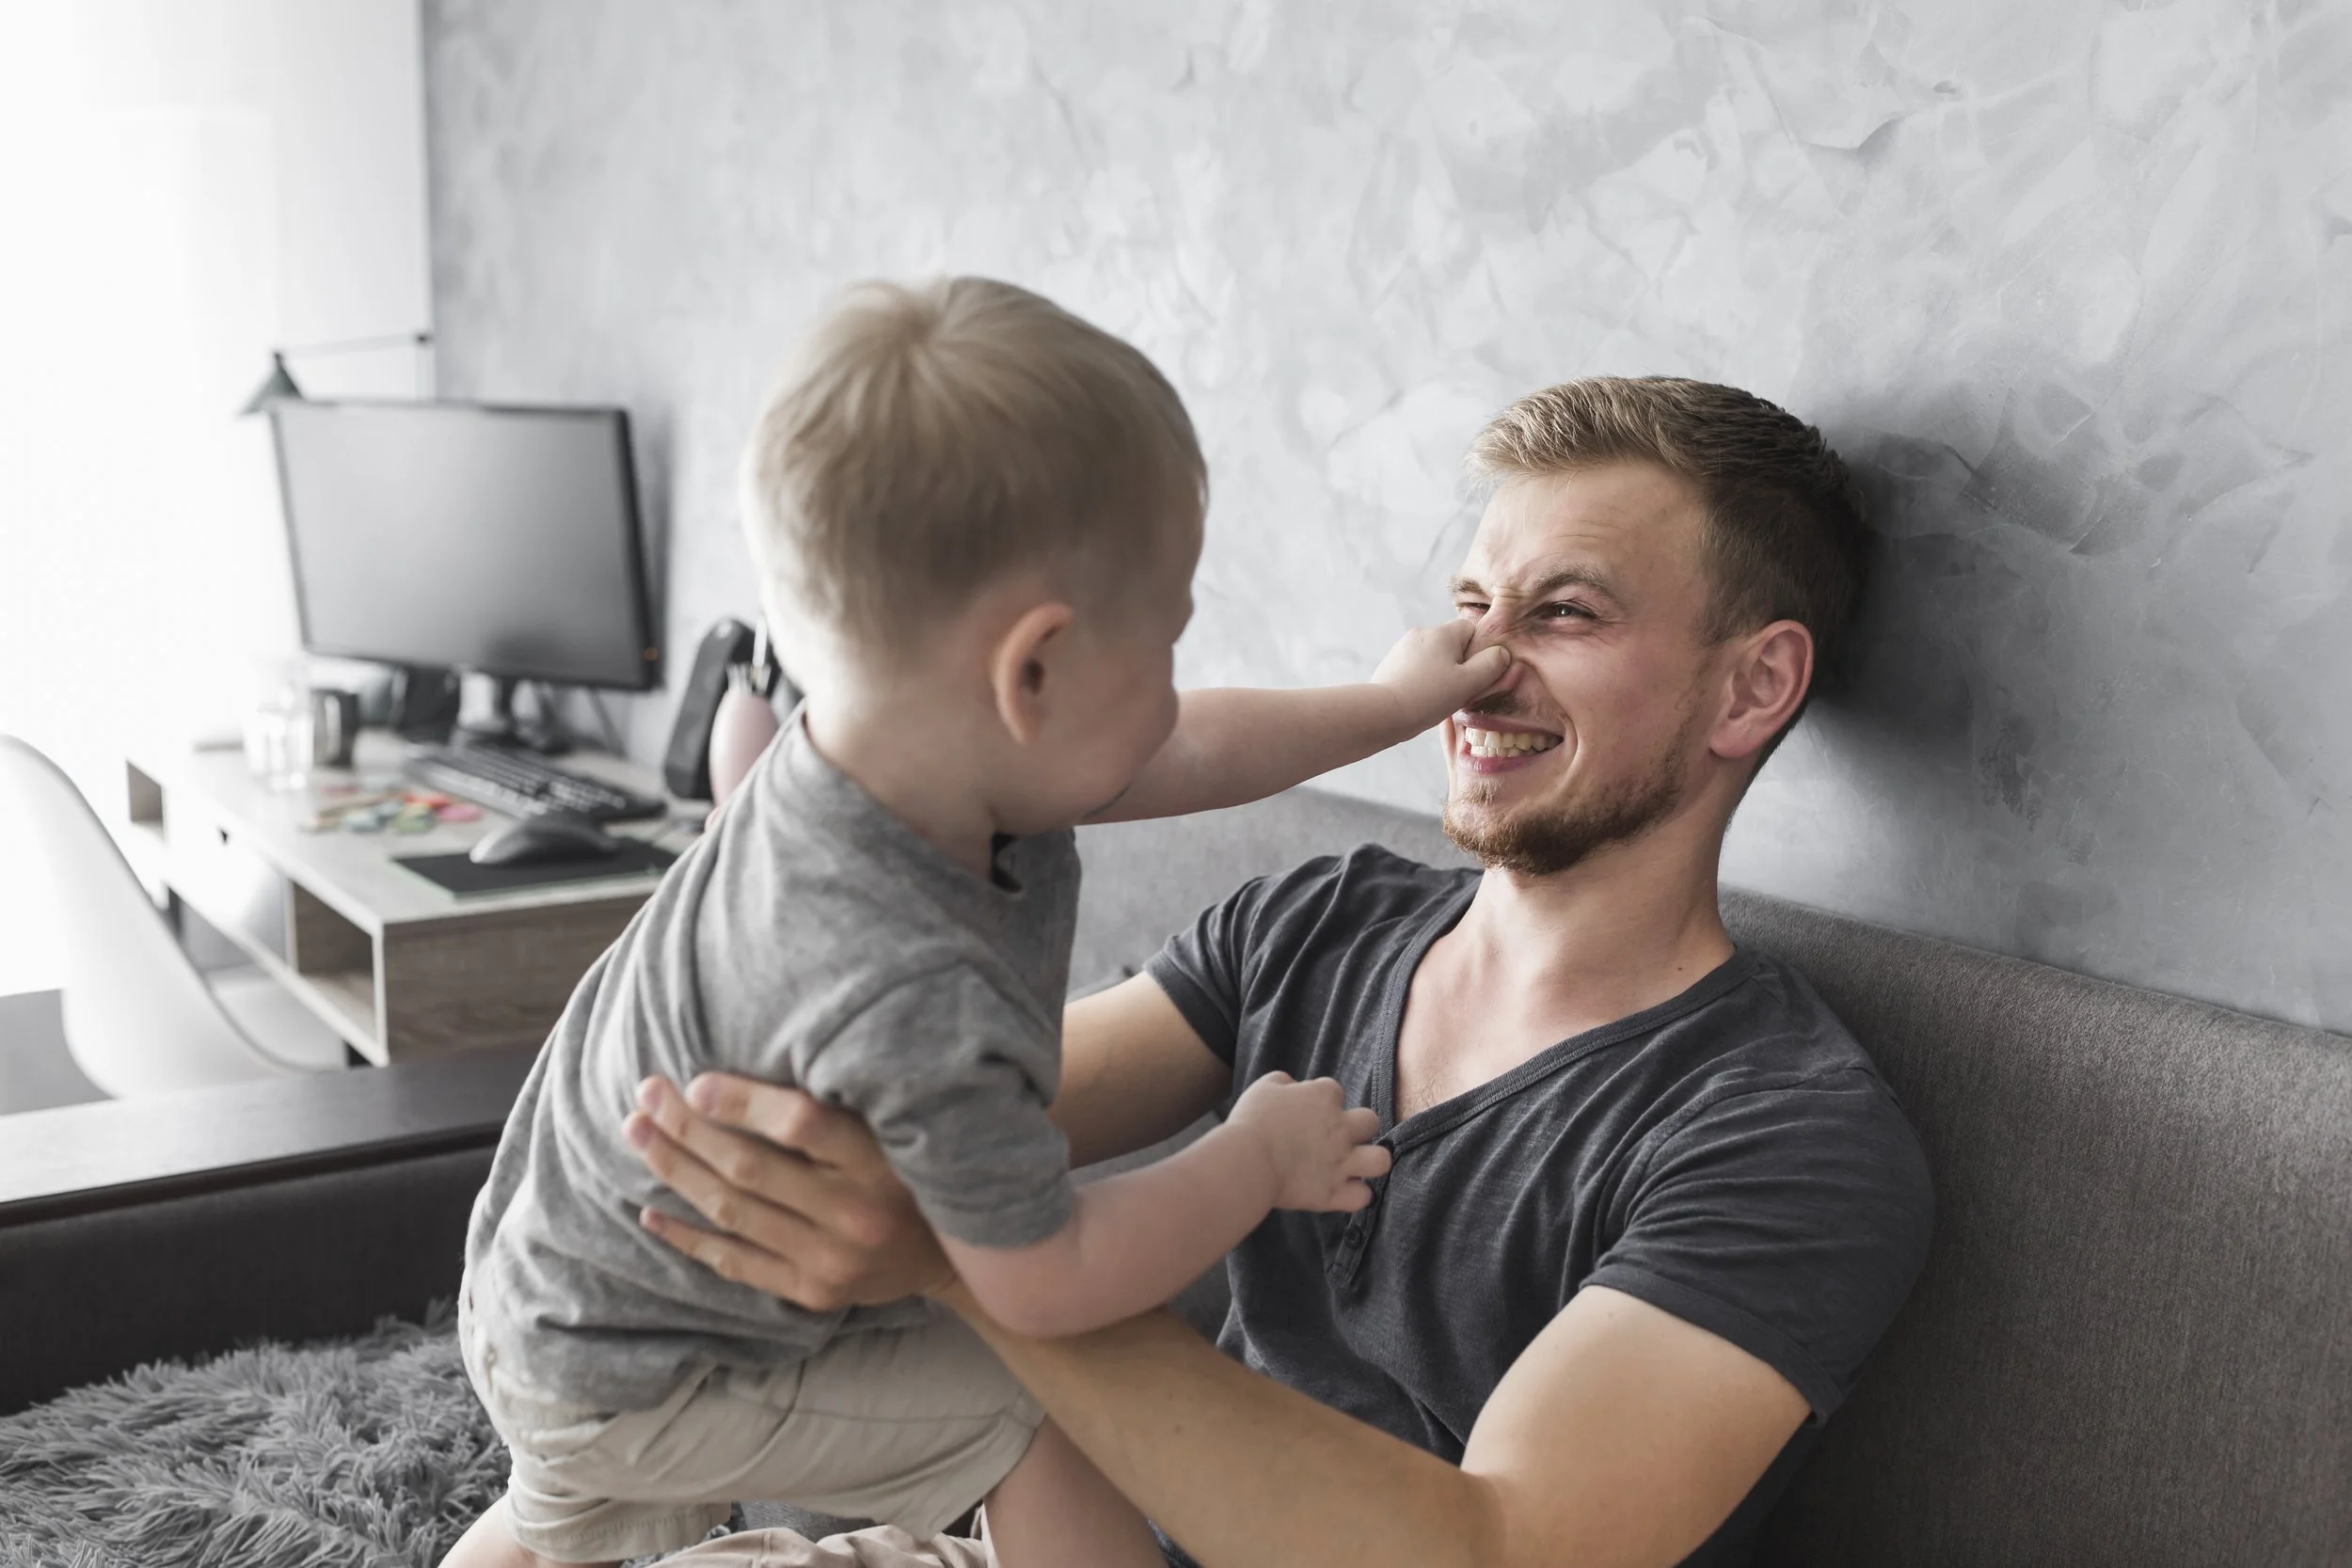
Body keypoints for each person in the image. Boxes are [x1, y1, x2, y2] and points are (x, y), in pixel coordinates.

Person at [622, 376, 1939, 1568]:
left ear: (1752, 687)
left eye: (1566, 613)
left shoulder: (1784, 1132)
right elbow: (937, 1106)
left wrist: (969, 1258)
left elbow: (1502, 1548)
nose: (1479, 671)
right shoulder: (1323, 922)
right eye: (1473, 609)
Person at [441, 278, 1510, 1568]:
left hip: (556, 1296)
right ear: (1035, 672)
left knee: (564, 1509)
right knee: (1034, 1404)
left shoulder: (862, 760)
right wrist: (1251, 1158)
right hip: (658, 1359)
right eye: (1166, 643)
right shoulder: (914, 980)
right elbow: (1038, 1279)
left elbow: (1184, 749)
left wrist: (1386, 704)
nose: (1174, 689)